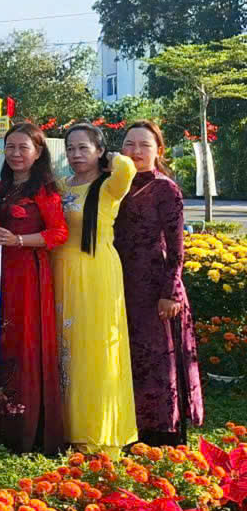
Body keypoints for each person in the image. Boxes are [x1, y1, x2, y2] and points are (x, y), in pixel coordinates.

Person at [115, 120, 203, 446]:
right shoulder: (115, 185)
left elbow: (177, 248)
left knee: (157, 359)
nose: (135, 151)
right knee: (128, 356)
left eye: (144, 145)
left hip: (155, 288)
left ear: (158, 150)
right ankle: (129, 427)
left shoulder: (165, 189)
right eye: (129, 144)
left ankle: (162, 433)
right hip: (120, 284)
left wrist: (171, 292)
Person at [53, 122, 138, 454]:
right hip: (59, 269)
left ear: (100, 150)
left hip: (95, 271)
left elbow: (127, 168)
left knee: (94, 350)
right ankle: (66, 427)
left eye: (84, 148)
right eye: (70, 148)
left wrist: (111, 158)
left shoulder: (108, 185)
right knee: (66, 350)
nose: (75, 154)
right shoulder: (62, 185)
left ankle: (95, 433)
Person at [0, 122, 68, 455]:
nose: (16, 153)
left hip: (29, 277)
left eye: (23, 147)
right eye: (10, 147)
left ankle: (30, 428)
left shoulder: (44, 190)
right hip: (0, 274)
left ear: (38, 152)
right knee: (4, 342)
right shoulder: (2, 186)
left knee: (27, 343)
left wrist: (19, 240)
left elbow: (58, 233)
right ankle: (6, 425)